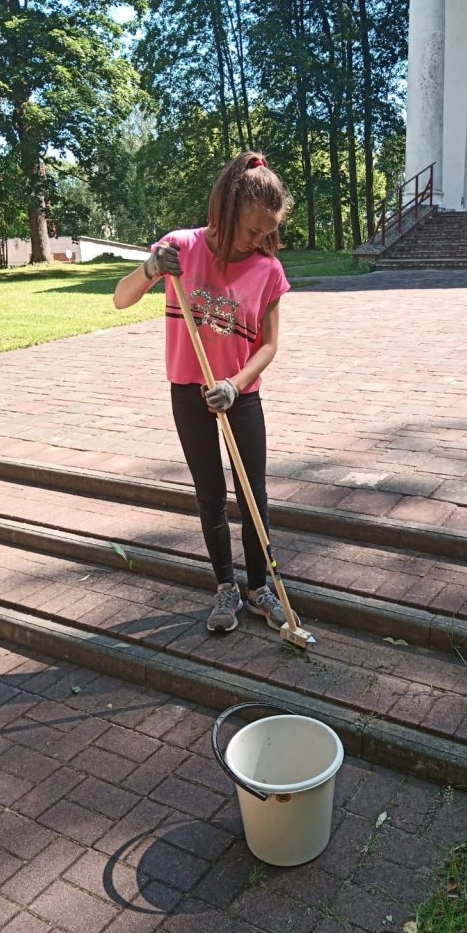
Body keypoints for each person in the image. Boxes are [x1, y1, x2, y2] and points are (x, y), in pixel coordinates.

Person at [113, 151, 299, 635]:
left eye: (267, 232)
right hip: (188, 391)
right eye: (253, 229)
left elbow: (270, 344)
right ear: (228, 209)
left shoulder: (268, 270)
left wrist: (235, 385)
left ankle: (259, 587)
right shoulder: (180, 249)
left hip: (240, 395)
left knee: (253, 494)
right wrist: (152, 267)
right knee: (209, 494)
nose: (261, 240)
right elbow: (120, 297)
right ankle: (225, 587)